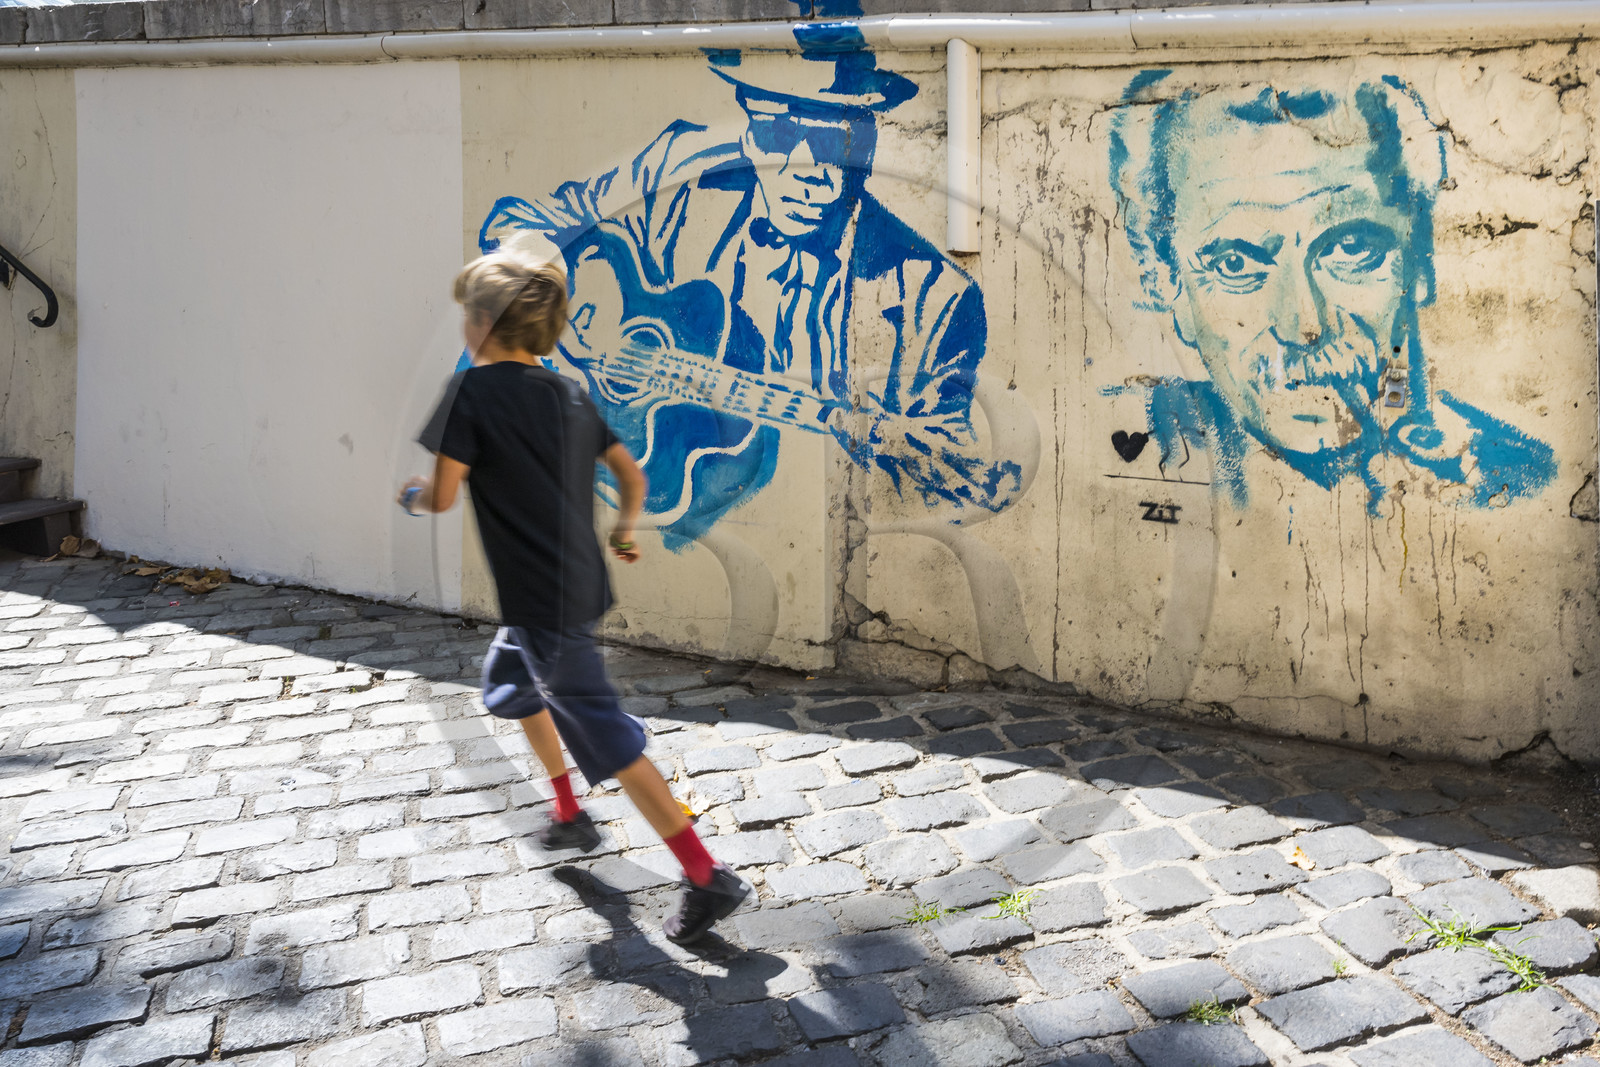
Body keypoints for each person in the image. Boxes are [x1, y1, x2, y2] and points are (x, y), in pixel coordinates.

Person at [478, 24, 1022, 548]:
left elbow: (940, 485)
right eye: (784, 135)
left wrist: (900, 453)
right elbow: (521, 222)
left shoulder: (932, 300)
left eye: (841, 144)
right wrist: (575, 293)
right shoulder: (682, 175)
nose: (815, 173)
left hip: (799, 550)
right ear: (749, 129)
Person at [398, 251, 750, 945]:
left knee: (612, 740)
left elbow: (440, 495)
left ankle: (706, 874)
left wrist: (411, 495)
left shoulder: (469, 394)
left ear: (480, 323)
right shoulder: (571, 393)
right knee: (511, 681)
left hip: (542, 604)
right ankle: (569, 812)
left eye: (466, 312)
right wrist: (621, 529)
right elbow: (629, 472)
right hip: (571, 589)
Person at [1108, 75, 1556, 511]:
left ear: (1419, 260)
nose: (1305, 326)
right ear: (1168, 283)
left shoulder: (1516, 484)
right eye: (1235, 265)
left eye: (1352, 248)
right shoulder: (1149, 453)